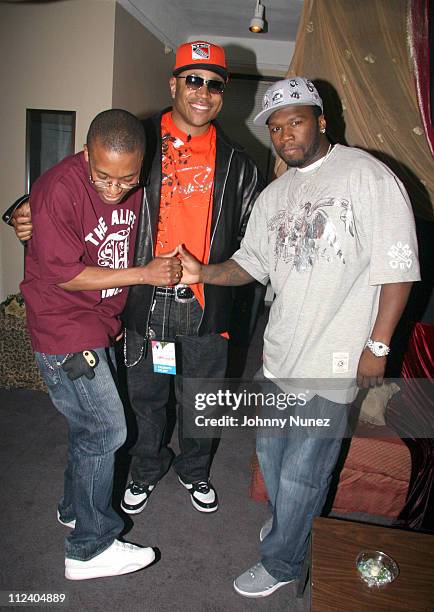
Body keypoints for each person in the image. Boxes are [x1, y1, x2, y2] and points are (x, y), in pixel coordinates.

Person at [177, 77, 420, 597]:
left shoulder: (367, 176)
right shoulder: (274, 194)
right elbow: (250, 264)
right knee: (272, 455)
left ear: (321, 120)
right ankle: (293, 524)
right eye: (276, 126)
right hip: (279, 354)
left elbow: (397, 270)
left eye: (296, 120)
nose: (286, 133)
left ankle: (285, 561)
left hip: (332, 360)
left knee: (304, 475)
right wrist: (203, 271)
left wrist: (376, 347)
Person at [7, 40, 264, 516]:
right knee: (146, 394)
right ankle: (147, 467)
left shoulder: (239, 164)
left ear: (223, 94)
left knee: (200, 399)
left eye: (214, 84)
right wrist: (21, 210)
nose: (202, 92)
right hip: (143, 298)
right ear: (174, 84)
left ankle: (195, 469)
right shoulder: (136, 143)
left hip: (207, 304)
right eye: (193, 79)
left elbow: (256, 244)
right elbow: (78, 180)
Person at [19, 109, 182, 580]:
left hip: (98, 323)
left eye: (126, 179)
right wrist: (143, 273)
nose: (114, 189)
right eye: (102, 177)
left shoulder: (141, 181)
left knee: (87, 427)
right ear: (86, 154)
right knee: (107, 430)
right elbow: (66, 275)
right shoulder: (58, 190)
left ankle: (73, 507)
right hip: (63, 327)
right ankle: (89, 547)